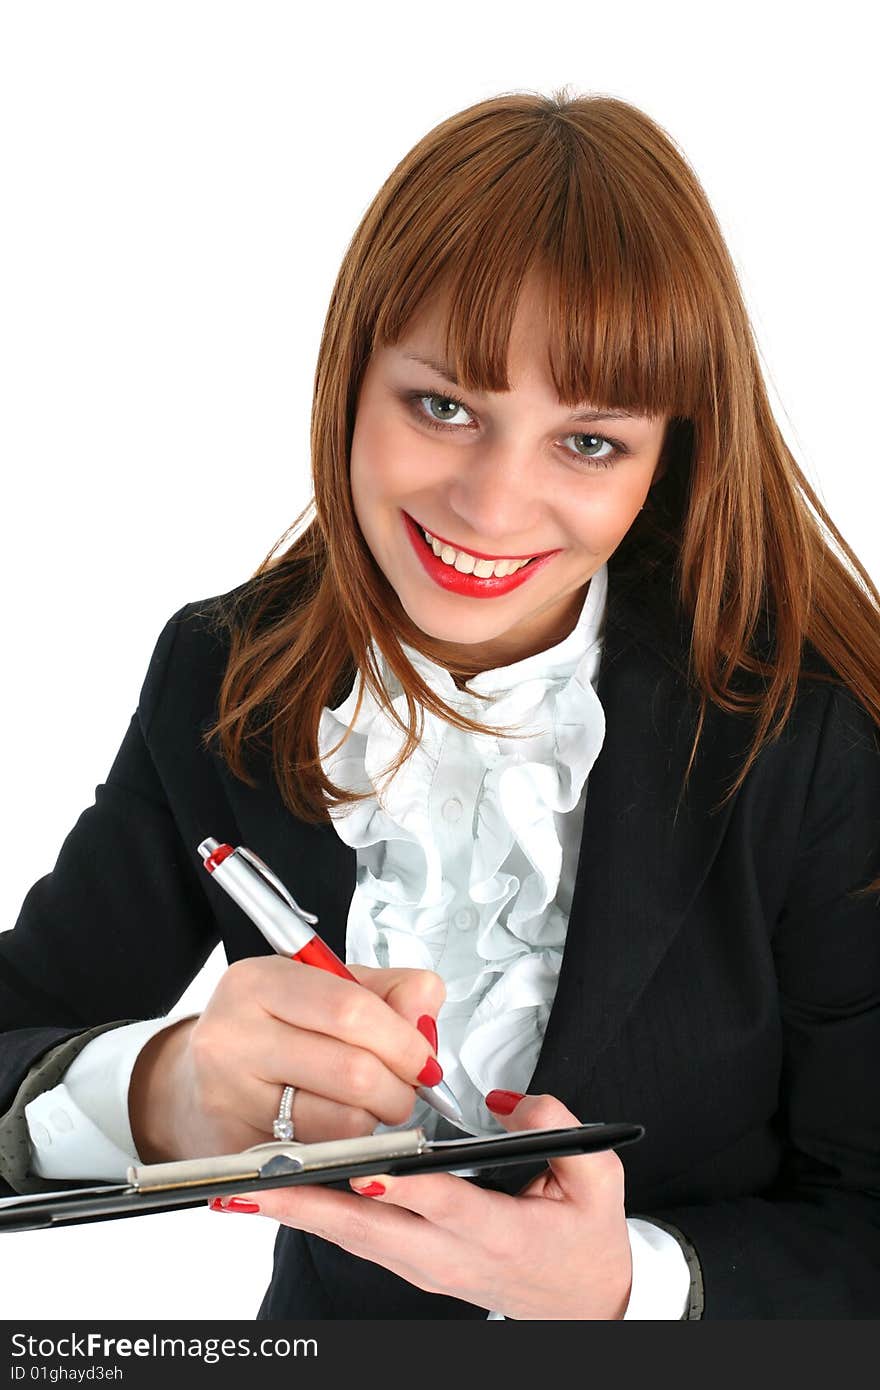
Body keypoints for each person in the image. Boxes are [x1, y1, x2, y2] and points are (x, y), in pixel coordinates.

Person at [1, 87, 879, 1321]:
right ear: (351, 373)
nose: (491, 506)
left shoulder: (801, 730)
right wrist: (164, 1088)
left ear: (665, 456)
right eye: (445, 406)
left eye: (587, 442)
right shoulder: (219, 675)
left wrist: (636, 1282)